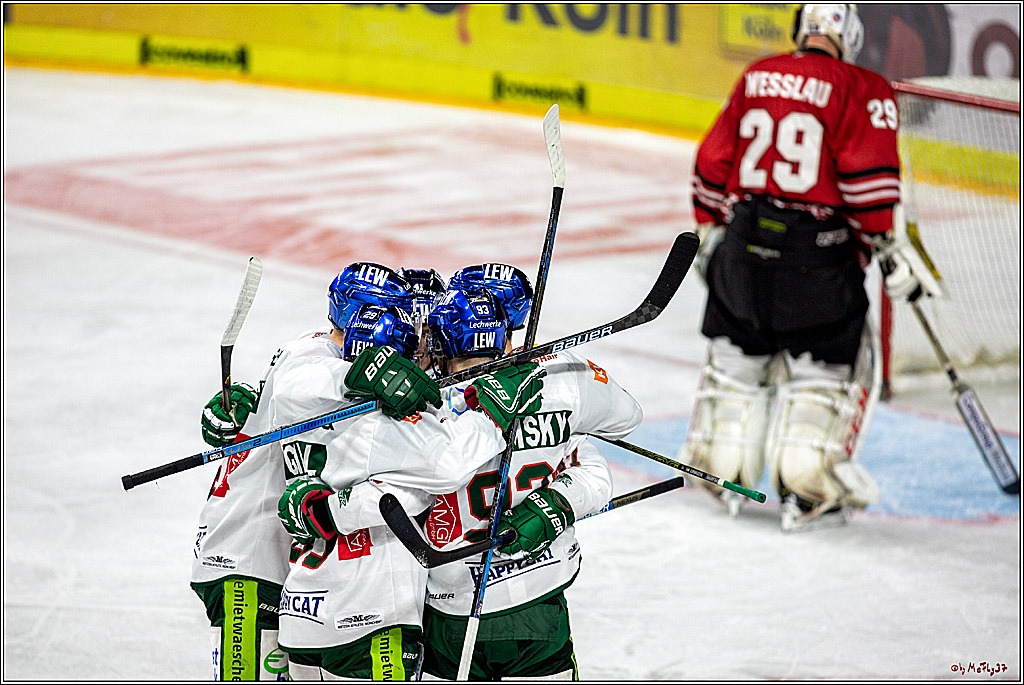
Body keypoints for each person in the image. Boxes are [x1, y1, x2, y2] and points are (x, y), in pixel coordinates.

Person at [682, 4, 935, 532]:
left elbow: (711, 165)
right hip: (817, 263)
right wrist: (887, 248)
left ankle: (723, 472)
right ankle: (808, 489)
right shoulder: (862, 86)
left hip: (741, 251)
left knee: (736, 365)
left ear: (801, 28)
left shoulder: (758, 73)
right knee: (824, 375)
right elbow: (867, 185)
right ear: (852, 35)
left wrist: (711, 231)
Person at [191, 263, 448, 680]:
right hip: (250, 555)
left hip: (295, 562)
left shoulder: (339, 361)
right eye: (411, 320)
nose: (422, 339)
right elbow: (307, 382)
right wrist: (368, 373)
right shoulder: (314, 358)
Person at [272, 299, 548, 680]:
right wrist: (493, 412)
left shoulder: (306, 401)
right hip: (368, 620)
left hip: (303, 611)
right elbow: (449, 464)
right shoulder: (386, 426)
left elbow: (294, 376)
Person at [417, 286, 643, 680]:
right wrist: (558, 502)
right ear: (505, 336)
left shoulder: (419, 404)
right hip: (540, 602)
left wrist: (559, 502)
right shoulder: (556, 378)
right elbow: (626, 420)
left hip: (453, 610)